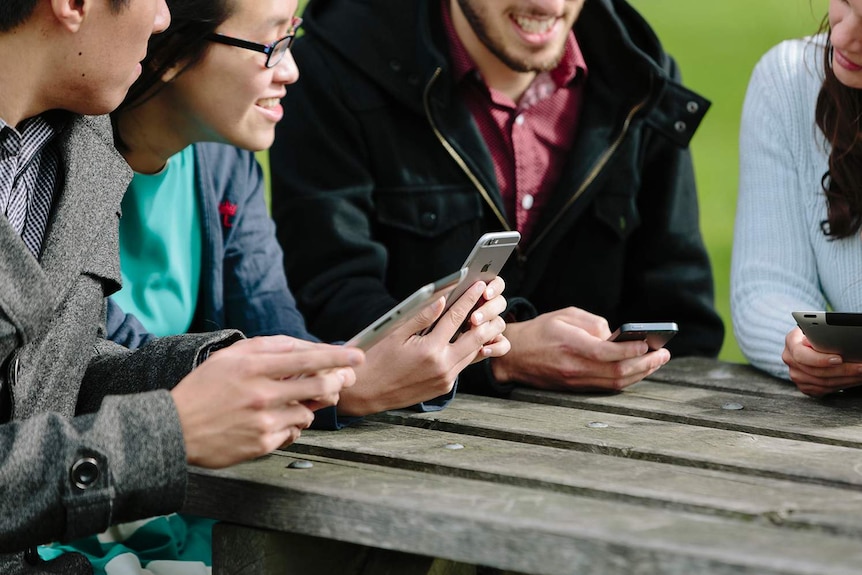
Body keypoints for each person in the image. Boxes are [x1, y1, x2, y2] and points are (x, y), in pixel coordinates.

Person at [42, 0, 509, 571]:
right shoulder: (57, 166)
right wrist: (343, 386)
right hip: (74, 495)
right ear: (169, 47)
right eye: (271, 46)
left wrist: (367, 363)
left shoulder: (222, 164)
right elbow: (100, 362)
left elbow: (276, 329)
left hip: (176, 488)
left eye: (294, 39)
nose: (290, 70)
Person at [0, 1, 361, 573]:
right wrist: (165, 432)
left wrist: (339, 374)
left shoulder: (62, 147)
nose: (163, 16)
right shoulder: (86, 137)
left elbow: (55, 374)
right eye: (272, 45)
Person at [269, 0, 725, 396]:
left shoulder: (640, 73)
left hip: (609, 446)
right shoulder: (337, 63)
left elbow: (685, 322)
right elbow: (326, 302)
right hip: (400, 445)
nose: (549, 6)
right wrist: (500, 352)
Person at [732, 0, 862, 397]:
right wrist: (804, 347)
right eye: (844, 1)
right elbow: (767, 284)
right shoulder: (789, 80)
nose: (841, 35)